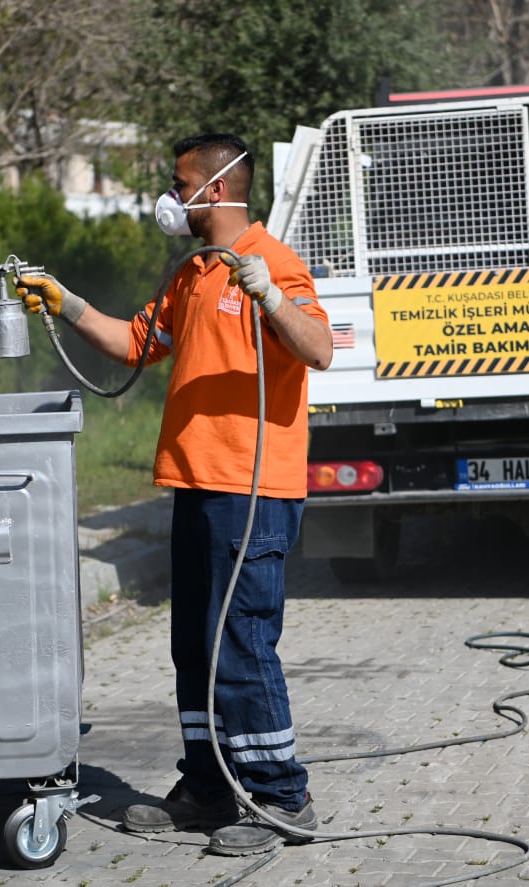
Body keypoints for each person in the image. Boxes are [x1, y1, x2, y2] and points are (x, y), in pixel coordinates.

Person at [17, 133, 333, 857]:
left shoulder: (272, 262)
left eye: (179, 181)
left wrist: (268, 295)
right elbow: (134, 343)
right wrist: (65, 303)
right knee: (193, 646)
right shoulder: (191, 273)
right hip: (194, 486)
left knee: (242, 643)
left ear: (216, 187)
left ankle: (281, 795)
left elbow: (316, 346)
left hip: (250, 490)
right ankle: (208, 788)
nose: (171, 194)